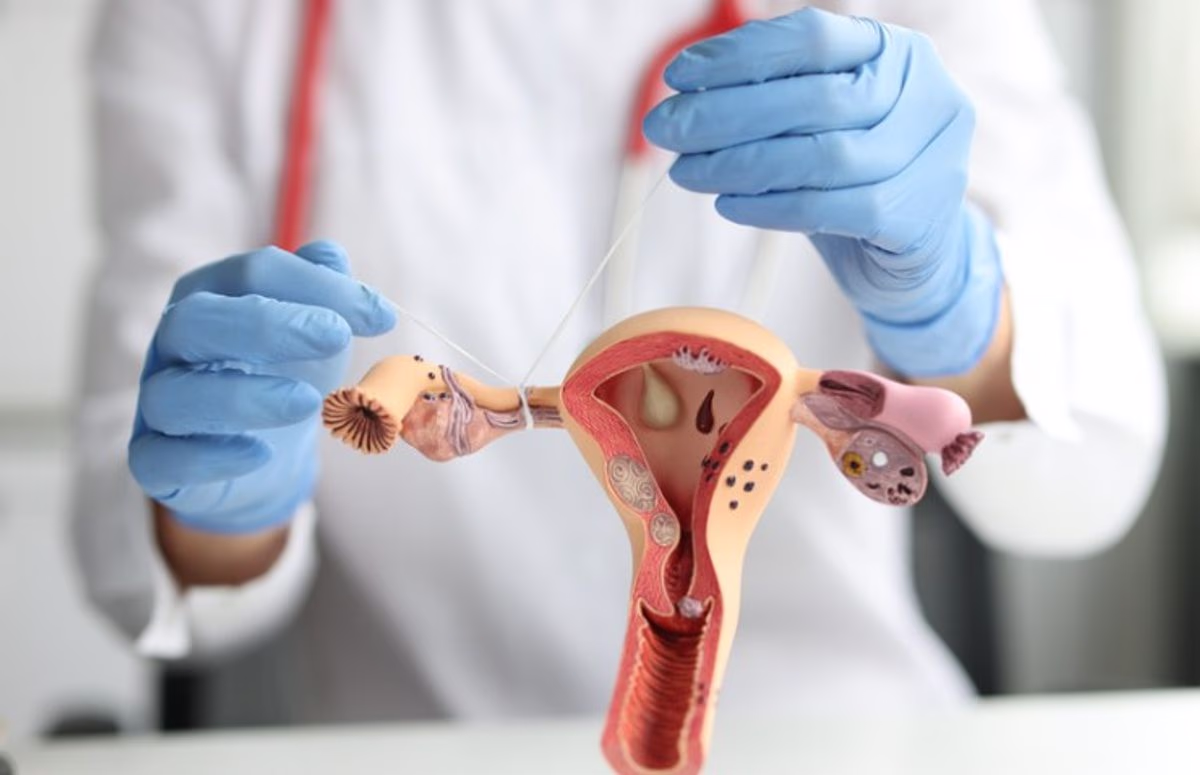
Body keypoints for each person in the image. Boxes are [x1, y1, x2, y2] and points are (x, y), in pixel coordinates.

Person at [74, 0, 1166, 724]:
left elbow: (1093, 469)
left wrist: (955, 304)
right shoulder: (205, 18)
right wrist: (220, 495)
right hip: (417, 738)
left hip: (844, 733)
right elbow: (150, 577)